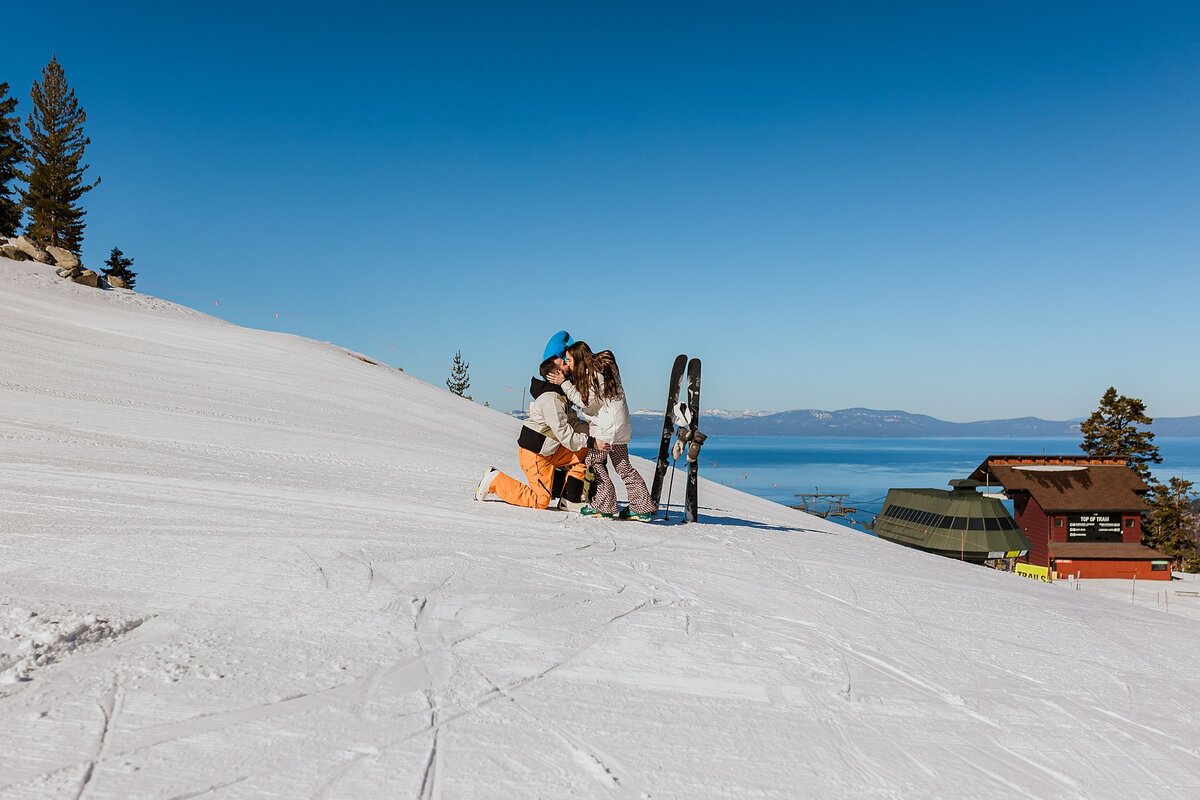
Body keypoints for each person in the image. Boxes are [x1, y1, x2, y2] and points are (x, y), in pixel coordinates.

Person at [549, 340, 655, 521]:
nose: (568, 364)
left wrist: (564, 383)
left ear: (578, 359)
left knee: (593, 462)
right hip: (619, 427)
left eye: (569, 360)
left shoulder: (592, 375)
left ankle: (604, 506)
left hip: (606, 430)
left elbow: (584, 402)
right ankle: (641, 507)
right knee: (623, 466)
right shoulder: (605, 370)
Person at [473, 356, 598, 510]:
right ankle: (495, 480)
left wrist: (595, 432)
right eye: (564, 363)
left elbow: (573, 423)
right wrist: (591, 441)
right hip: (535, 455)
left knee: (583, 450)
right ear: (557, 373)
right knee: (540, 501)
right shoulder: (551, 399)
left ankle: (570, 499)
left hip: (550, 450)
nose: (568, 365)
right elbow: (564, 434)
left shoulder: (560, 396)